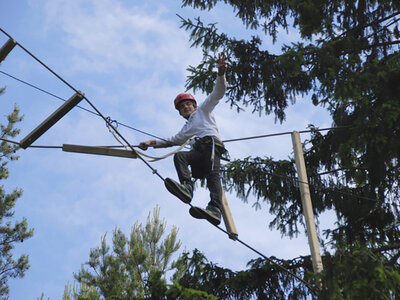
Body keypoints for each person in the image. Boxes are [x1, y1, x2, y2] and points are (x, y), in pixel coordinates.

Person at [139, 53, 227, 225]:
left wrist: (221, 74)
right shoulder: (186, 129)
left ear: (194, 105)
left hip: (211, 146)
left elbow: (218, 93)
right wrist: (151, 143)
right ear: (180, 113)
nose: (185, 107)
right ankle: (187, 188)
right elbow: (172, 140)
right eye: (182, 107)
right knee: (180, 156)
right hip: (199, 151)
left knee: (212, 175)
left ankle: (215, 209)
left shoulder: (203, 110)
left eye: (188, 104)